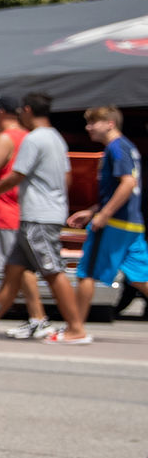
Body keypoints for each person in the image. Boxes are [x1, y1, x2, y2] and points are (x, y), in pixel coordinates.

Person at [0, 93, 89, 343]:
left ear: (28, 110)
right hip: (45, 213)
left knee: (52, 270)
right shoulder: (56, 137)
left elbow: (15, 176)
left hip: (37, 217)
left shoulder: (34, 139)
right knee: (13, 272)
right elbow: (66, 177)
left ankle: (76, 329)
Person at [0, 95, 50, 338]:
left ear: (0, 112)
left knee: (15, 268)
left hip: (2, 212)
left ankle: (37, 317)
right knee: (0, 266)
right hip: (18, 209)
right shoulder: (27, 137)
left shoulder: (5, 138)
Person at [68, 105, 148, 329]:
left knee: (86, 273)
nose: (88, 127)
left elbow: (128, 183)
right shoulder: (127, 147)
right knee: (141, 278)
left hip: (116, 224)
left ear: (109, 124)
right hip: (133, 224)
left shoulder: (116, 148)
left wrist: (104, 214)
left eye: (93, 122)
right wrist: (93, 210)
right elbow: (123, 188)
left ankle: (75, 330)